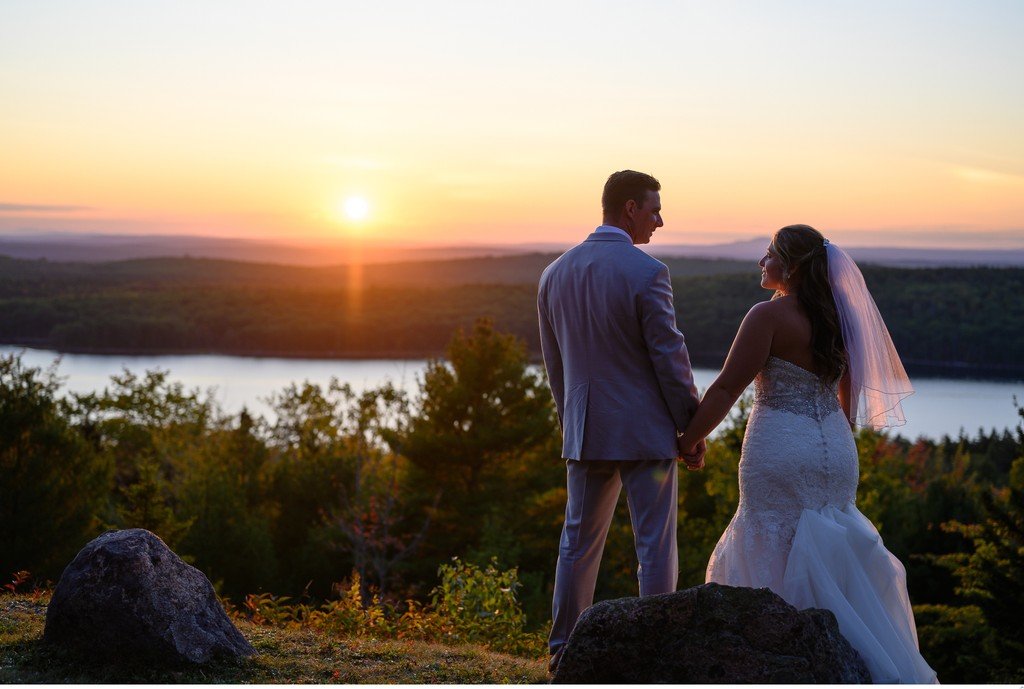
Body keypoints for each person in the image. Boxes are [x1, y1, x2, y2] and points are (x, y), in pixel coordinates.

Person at [677, 224, 937, 684]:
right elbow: (848, 395)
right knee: (834, 539)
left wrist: (689, 439)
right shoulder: (840, 317)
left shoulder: (766, 317)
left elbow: (725, 389)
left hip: (779, 443)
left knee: (770, 537)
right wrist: (832, 436)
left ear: (791, 266)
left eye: (769, 254)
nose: (762, 262)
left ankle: (775, 663)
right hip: (836, 448)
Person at [538, 170, 704, 674]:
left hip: (587, 429)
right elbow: (669, 358)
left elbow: (555, 367)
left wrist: (573, 423)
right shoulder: (647, 272)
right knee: (654, 545)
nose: (660, 220)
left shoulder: (553, 274)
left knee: (577, 543)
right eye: (654, 209)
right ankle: (655, 650)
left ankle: (563, 650)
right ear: (629, 208)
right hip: (646, 433)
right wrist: (691, 429)